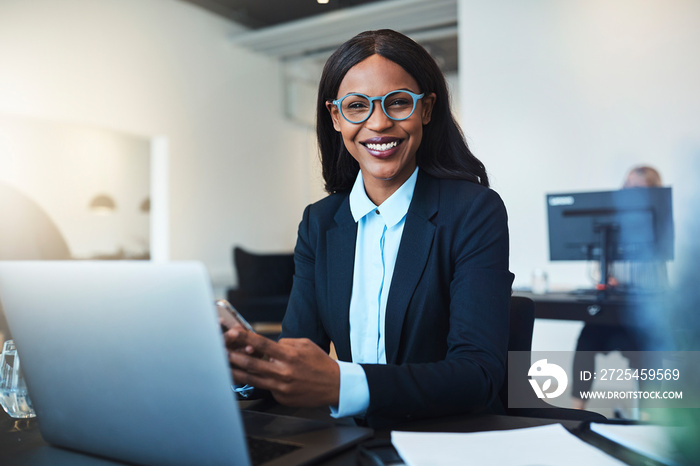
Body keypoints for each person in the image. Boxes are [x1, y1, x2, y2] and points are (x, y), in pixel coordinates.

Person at [225, 29, 514, 427]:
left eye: (398, 102)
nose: (378, 123)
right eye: (357, 106)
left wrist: (341, 384)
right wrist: (242, 365)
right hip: (353, 439)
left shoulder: (473, 212)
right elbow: (298, 351)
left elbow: (478, 374)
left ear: (426, 109)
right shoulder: (319, 222)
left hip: (445, 438)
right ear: (336, 117)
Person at [572, 165, 667, 411]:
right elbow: (597, 271)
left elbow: (658, 281)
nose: (628, 193)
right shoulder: (609, 223)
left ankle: (647, 416)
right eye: (626, 187)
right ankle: (575, 413)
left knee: (645, 350)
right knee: (586, 339)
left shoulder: (661, 230)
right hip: (610, 311)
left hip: (639, 315)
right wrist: (606, 276)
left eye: (636, 188)